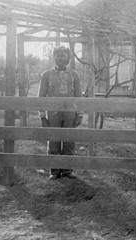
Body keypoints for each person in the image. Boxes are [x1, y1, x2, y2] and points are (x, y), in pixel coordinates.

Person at [38, 46, 83, 180]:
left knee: (69, 140)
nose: (61, 58)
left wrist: (80, 114)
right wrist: (42, 116)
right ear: (54, 57)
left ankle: (67, 170)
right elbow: (41, 97)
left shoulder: (74, 75)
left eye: (64, 56)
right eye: (58, 55)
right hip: (52, 113)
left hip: (70, 113)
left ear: (68, 58)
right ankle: (54, 170)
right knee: (54, 140)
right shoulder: (47, 75)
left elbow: (78, 96)